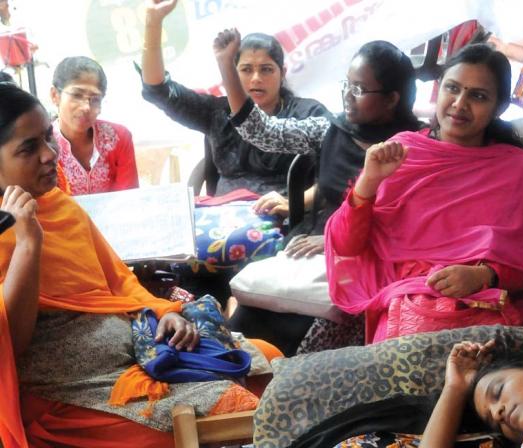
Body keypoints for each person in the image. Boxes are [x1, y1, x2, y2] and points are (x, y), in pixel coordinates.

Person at [0, 83, 281, 448]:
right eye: (28, 148)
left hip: (137, 347)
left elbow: (119, 281)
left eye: (48, 138)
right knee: (232, 410)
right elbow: (11, 342)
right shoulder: (17, 231)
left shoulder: (61, 207)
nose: (49, 154)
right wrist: (28, 244)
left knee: (269, 360)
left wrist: (163, 311)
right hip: (70, 389)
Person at [322, 44, 523, 343]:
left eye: (477, 96)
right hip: (407, 301)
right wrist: (368, 183)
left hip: (484, 301)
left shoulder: (516, 168)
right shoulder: (403, 152)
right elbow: (347, 245)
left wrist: (484, 276)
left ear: (499, 107)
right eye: (452, 88)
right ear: (438, 90)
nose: (459, 104)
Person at [215, 30, 422, 351]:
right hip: (310, 246)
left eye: (359, 88)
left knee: (299, 336)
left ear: (392, 98)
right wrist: (226, 65)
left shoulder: (417, 148)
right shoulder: (330, 128)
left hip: (368, 267)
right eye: (346, 85)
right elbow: (261, 131)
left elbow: (409, 229)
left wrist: (333, 245)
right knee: (246, 320)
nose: (347, 96)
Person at [140, 0, 328, 197]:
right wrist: (153, 24)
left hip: (290, 220)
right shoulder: (217, 112)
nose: (256, 78)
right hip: (224, 222)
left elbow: (334, 178)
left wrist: (293, 205)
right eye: (246, 70)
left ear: (282, 73)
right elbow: (157, 89)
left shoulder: (309, 115)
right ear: (233, 73)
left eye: (266, 70)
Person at [50, 56, 139, 195]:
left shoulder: (118, 137)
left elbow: (128, 198)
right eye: (77, 95)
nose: (86, 107)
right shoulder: (43, 147)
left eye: (95, 99)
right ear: (55, 95)